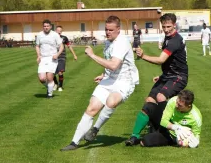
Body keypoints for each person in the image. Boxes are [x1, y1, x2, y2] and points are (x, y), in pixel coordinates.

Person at [60, 16, 139, 151]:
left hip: (125, 81)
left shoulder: (122, 42)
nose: (108, 32)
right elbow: (111, 63)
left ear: (118, 30)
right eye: (106, 29)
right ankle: (74, 142)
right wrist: (104, 75)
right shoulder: (108, 42)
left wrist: (91, 55)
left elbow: (114, 65)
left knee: (111, 101)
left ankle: (95, 129)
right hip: (109, 79)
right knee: (92, 108)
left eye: (111, 30)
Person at [125, 13, 189, 146]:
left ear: (174, 25)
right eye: (164, 26)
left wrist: (143, 56)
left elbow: (161, 60)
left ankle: (165, 130)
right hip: (168, 76)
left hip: (179, 77)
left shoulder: (174, 40)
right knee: (149, 101)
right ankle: (135, 136)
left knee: (160, 97)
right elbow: (172, 61)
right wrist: (162, 76)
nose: (166, 29)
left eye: (169, 26)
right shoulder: (167, 38)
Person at [36, 20, 63, 98]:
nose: (46, 27)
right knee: (42, 78)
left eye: (47, 26)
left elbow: (61, 46)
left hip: (52, 58)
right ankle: (50, 86)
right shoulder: (39, 35)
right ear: (43, 27)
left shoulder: (55, 35)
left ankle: (49, 94)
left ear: (51, 26)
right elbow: (37, 46)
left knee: (49, 77)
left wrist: (57, 55)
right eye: (44, 26)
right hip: (43, 58)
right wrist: (38, 56)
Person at [53, 25, 77, 92]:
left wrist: (74, 55)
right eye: (58, 31)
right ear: (55, 31)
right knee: (52, 73)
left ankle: (60, 86)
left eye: (60, 31)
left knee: (60, 72)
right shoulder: (52, 38)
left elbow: (69, 46)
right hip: (54, 57)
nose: (59, 32)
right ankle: (55, 84)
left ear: (61, 31)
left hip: (62, 57)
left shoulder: (64, 38)